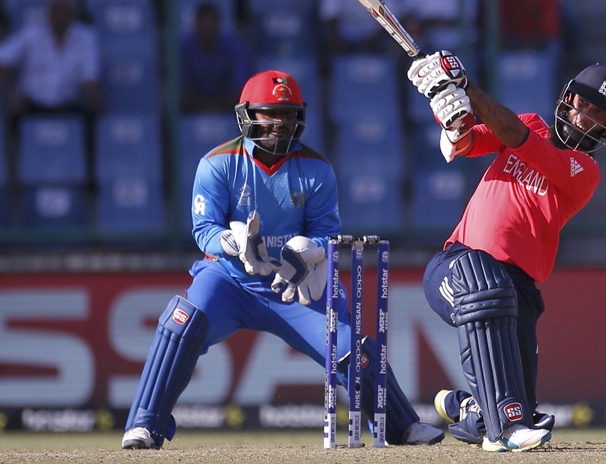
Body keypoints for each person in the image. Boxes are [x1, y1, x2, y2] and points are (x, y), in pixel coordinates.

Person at [121, 70, 443, 450]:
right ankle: (144, 425)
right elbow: (203, 228)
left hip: (293, 283)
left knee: (347, 345)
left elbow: (327, 230)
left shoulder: (317, 169)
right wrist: (233, 240)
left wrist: (311, 249)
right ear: (247, 116)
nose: (280, 124)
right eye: (270, 114)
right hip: (230, 280)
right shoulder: (217, 164)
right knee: (181, 322)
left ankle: (401, 426)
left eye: (288, 115)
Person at [406, 50, 606, 451]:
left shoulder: (584, 170)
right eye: (583, 104)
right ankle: (503, 429)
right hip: (458, 263)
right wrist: (453, 118)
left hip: (517, 290)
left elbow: (513, 135)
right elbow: (470, 142)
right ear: (568, 99)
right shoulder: (531, 123)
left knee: (518, 408)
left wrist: (466, 86)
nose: (584, 116)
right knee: (485, 288)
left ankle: (468, 408)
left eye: (599, 113)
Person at [0, 0, 100, 180]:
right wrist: (12, 93)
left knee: (93, 118)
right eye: (55, 13)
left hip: (68, 102)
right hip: (33, 102)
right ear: (48, 15)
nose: (59, 18)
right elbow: (2, 59)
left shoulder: (85, 37)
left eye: (64, 13)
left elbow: (90, 76)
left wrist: (94, 98)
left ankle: (88, 178)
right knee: (11, 119)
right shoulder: (31, 34)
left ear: (71, 15)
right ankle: (16, 179)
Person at [180, 1, 250, 112]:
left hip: (228, 110)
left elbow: (240, 90)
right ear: (196, 25)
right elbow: (180, 90)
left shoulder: (233, 47)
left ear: (218, 24)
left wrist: (216, 106)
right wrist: (205, 106)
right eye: (203, 26)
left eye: (210, 25)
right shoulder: (185, 48)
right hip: (191, 111)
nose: (207, 30)